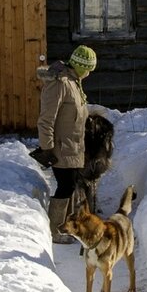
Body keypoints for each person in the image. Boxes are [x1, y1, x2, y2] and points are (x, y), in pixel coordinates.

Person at [35, 45, 97, 244]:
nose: (89, 74)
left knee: (69, 187)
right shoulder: (60, 84)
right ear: (80, 67)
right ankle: (55, 231)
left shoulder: (74, 82)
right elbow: (46, 119)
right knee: (65, 186)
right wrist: (47, 148)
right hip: (61, 148)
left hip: (73, 148)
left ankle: (67, 227)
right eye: (88, 69)